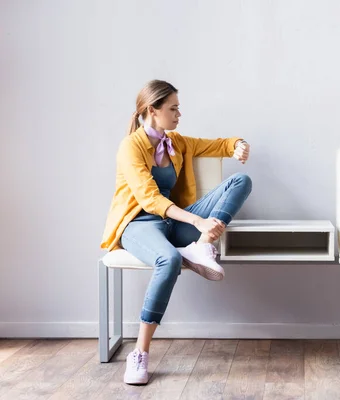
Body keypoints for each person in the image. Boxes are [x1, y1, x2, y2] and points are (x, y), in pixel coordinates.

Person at [100, 79, 252, 385]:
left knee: (241, 181)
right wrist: (198, 222)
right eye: (173, 108)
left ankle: (203, 246)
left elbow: (218, 144)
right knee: (168, 260)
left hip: (173, 224)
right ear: (153, 111)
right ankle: (140, 353)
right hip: (139, 224)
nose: (179, 114)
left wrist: (238, 145)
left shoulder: (177, 142)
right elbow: (150, 199)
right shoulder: (130, 146)